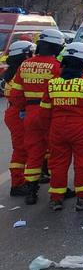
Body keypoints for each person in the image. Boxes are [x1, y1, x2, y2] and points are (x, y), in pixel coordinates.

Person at [38, 42, 83, 211]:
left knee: (58, 163)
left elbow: (44, 112)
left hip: (57, 128)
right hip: (81, 129)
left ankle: (56, 199)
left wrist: (48, 131)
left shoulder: (52, 83)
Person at [7, 29, 65, 204]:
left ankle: (31, 190)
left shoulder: (24, 65)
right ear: (56, 47)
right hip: (49, 114)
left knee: (32, 151)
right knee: (55, 151)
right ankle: (58, 187)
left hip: (28, 112)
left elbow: (15, 95)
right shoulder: (56, 67)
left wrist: (24, 110)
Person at [3, 40, 35, 196]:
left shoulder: (15, 71)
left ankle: (27, 177)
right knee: (21, 149)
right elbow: (17, 97)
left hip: (17, 112)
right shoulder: (17, 74)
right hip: (18, 113)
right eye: (30, 53)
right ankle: (17, 184)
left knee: (26, 147)